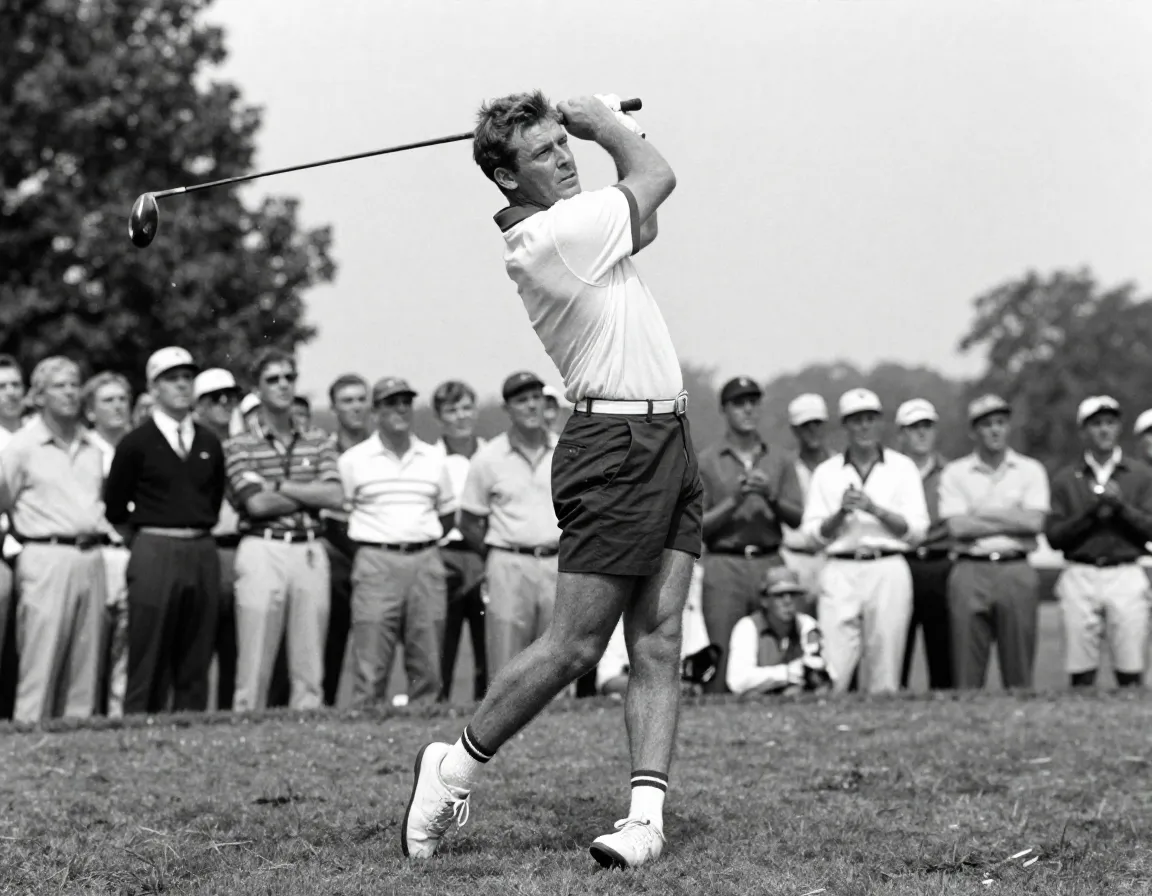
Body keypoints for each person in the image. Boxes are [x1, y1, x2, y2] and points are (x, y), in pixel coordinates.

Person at [404, 90, 700, 870]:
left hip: (665, 433)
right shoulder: (556, 235)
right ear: (506, 178)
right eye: (544, 153)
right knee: (574, 647)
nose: (565, 158)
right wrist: (605, 122)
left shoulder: (582, 226)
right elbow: (659, 176)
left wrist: (601, 136)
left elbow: (647, 211)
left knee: (660, 640)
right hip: (616, 444)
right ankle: (452, 768)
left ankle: (643, 820)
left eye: (563, 146)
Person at [106, 347, 226, 714]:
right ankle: (139, 725)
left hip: (202, 549)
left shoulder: (208, 442)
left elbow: (213, 496)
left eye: (187, 378)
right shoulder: (135, 442)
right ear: (154, 388)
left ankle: (190, 726)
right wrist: (147, 537)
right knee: (148, 649)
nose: (181, 385)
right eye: (171, 379)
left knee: (196, 649)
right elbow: (114, 505)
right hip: (154, 546)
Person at [225, 349, 343, 711]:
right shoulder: (238, 444)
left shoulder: (318, 439)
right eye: (273, 379)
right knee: (255, 658)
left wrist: (279, 487)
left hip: (309, 547)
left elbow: (335, 494)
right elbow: (255, 504)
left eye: (288, 378)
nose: (283, 385)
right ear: (257, 389)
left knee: (310, 664)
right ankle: (246, 729)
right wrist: (308, 493)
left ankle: (305, 733)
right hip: (263, 548)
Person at [0, 357, 107, 723]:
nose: (70, 392)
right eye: (59, 386)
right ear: (39, 395)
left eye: (75, 384)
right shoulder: (21, 447)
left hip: (91, 556)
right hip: (45, 556)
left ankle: (78, 744)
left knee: (85, 662)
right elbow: (4, 500)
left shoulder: (92, 446)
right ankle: (29, 737)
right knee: (40, 660)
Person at [800, 388, 928, 693]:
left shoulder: (902, 467)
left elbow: (916, 531)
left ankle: (881, 728)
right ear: (845, 425)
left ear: (879, 422)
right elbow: (812, 536)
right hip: (841, 566)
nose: (864, 427)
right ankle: (832, 721)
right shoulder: (826, 472)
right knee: (835, 661)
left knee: (886, 658)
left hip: (888, 565)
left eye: (870, 419)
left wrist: (874, 509)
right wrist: (841, 513)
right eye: (856, 421)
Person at [339, 377, 457, 706]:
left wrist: (416, 539)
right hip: (376, 561)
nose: (401, 409)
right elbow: (340, 518)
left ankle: (424, 740)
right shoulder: (353, 460)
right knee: (370, 667)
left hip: (426, 561)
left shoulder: (434, 458)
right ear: (375, 411)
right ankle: (365, 737)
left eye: (406, 401)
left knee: (428, 665)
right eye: (391, 402)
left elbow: (447, 516)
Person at [697, 376, 803, 694]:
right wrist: (735, 500)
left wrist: (769, 495)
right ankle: (718, 715)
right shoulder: (707, 461)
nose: (747, 409)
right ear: (724, 410)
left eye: (753, 402)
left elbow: (797, 517)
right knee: (723, 647)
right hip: (724, 562)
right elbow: (696, 525)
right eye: (739, 403)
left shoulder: (780, 458)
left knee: (774, 645)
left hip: (770, 559)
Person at [938, 395, 1049, 690]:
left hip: (1015, 568)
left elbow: (1034, 523)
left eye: (1000, 423)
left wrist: (981, 516)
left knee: (1019, 668)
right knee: (966, 668)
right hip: (970, 568)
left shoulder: (1030, 470)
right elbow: (957, 526)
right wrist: (1011, 517)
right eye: (987, 424)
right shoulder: (956, 472)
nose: (995, 430)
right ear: (973, 431)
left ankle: (1020, 723)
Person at [459, 372, 560, 680]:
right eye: (521, 401)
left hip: (558, 561)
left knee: (557, 655)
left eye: (535, 399)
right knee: (505, 659)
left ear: (545, 403)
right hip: (507, 561)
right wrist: (497, 552)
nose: (530, 407)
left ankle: (556, 726)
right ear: (508, 409)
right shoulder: (488, 458)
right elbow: (469, 520)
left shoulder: (567, 451)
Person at [1045, 397, 1152, 688]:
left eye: (1110, 423)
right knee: (1081, 668)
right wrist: (1091, 511)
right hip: (1080, 572)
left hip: (1125, 572)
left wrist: (1120, 508)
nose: (1104, 430)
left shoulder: (1140, 475)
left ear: (1118, 428)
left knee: (1130, 665)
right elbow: (1054, 536)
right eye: (1096, 424)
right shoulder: (1067, 478)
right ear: (1083, 431)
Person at [432, 379, 489, 703]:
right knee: (443, 644)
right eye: (452, 410)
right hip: (445, 556)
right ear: (440, 417)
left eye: (466, 408)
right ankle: (439, 707)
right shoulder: (430, 458)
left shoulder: (491, 454)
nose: (460, 416)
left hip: (484, 555)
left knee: (487, 647)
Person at [81, 371, 133, 717]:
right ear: (90, 411)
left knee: (125, 649)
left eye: (122, 399)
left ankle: (118, 720)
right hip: (94, 553)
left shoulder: (140, 447)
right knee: (88, 650)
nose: (117, 407)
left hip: (131, 552)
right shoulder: (81, 450)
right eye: (107, 400)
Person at [193, 367, 244, 710]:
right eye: (215, 398)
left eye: (231, 397)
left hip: (241, 546)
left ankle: (228, 713)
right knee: (197, 641)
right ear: (198, 404)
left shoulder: (244, 445)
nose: (224, 404)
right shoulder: (190, 444)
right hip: (205, 547)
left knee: (236, 645)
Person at [894, 399, 953, 690]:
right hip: (901, 561)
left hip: (940, 562)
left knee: (943, 648)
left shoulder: (950, 473)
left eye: (927, 426)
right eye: (914, 427)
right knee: (896, 646)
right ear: (901, 433)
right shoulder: (889, 473)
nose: (921, 434)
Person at [321, 373, 371, 706]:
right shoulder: (324, 451)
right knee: (331, 643)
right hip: (336, 557)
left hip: (375, 558)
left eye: (360, 399)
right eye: (347, 401)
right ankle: (326, 707)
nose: (355, 407)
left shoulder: (380, 448)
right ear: (334, 407)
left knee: (371, 648)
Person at [725, 567, 831, 697]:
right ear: (764, 600)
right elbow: (737, 681)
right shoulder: (747, 627)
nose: (787, 601)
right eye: (779, 595)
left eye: (792, 594)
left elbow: (826, 671)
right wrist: (788, 673)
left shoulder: (807, 624)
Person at [780, 394, 832, 604]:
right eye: (805, 425)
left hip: (831, 558)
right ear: (794, 429)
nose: (812, 430)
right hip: (794, 557)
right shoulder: (784, 467)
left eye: (817, 423)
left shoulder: (839, 466)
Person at [0, 355, 26, 719]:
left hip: (35, 553)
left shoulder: (38, 433)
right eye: (1, 387)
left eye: (15, 385)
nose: (9, 393)